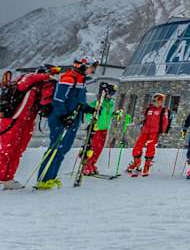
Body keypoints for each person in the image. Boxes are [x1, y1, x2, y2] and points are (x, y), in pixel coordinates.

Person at [36, 59, 95, 190]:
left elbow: (78, 101)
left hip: (73, 119)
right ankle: (43, 179)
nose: (93, 70)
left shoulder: (81, 81)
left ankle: (51, 177)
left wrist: (89, 108)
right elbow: (58, 99)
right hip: (60, 119)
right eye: (91, 67)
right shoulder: (68, 79)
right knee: (55, 148)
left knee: (63, 149)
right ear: (84, 66)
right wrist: (63, 115)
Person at [0, 66, 57, 190]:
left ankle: (7, 178)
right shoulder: (28, 80)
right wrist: (47, 76)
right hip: (14, 119)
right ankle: (3, 176)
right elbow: (26, 82)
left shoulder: (39, 86)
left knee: (17, 150)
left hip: (23, 121)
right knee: (6, 150)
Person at [81, 82, 119, 176]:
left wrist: (115, 114)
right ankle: (86, 165)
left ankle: (92, 164)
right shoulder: (97, 103)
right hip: (96, 128)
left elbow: (108, 114)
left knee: (99, 148)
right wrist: (94, 116)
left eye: (112, 94)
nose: (111, 95)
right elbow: (88, 115)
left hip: (105, 128)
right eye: (110, 93)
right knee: (93, 147)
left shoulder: (111, 103)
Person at [128, 92, 171, 177]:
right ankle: (137, 164)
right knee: (137, 148)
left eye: (159, 101)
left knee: (150, 149)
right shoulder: (148, 109)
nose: (156, 103)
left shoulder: (163, 110)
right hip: (145, 131)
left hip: (154, 133)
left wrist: (162, 131)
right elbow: (144, 118)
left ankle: (146, 167)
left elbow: (165, 122)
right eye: (155, 101)